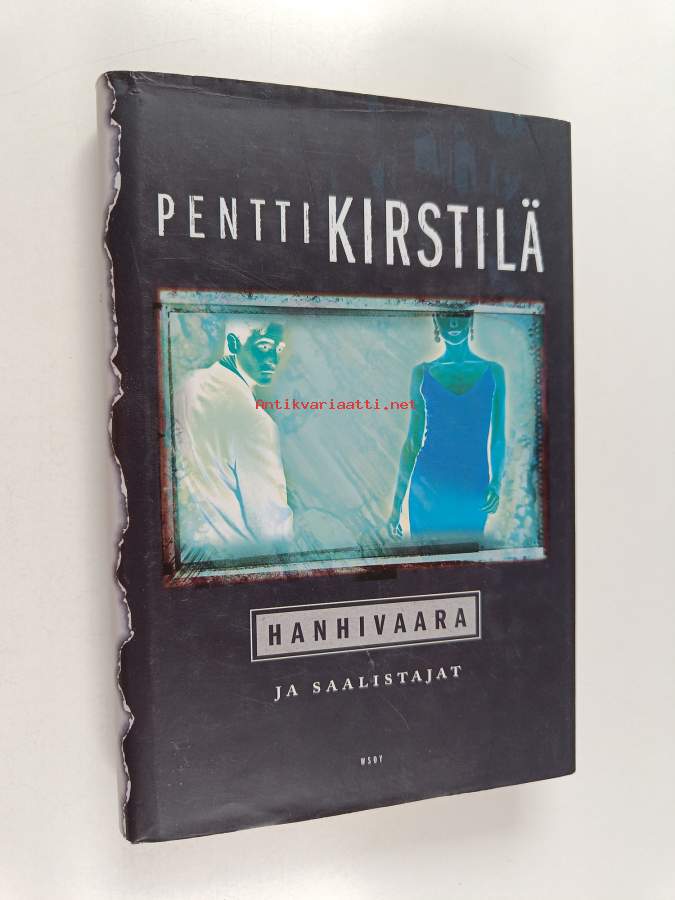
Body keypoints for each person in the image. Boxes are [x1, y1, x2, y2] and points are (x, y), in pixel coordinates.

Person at [174, 318, 293, 562]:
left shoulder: (186, 384)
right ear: (233, 343)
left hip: (187, 552)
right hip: (233, 562)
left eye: (278, 349)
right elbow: (270, 527)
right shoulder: (256, 423)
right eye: (263, 346)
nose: (273, 358)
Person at [388, 309, 505, 546]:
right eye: (444, 315)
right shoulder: (421, 373)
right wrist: (396, 506)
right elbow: (412, 442)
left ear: (471, 318)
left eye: (459, 315)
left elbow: (498, 438)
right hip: (426, 488)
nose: (452, 323)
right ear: (435, 320)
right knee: (428, 564)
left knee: (466, 559)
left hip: (472, 487)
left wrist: (496, 483)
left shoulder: (494, 372)